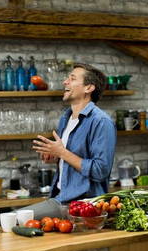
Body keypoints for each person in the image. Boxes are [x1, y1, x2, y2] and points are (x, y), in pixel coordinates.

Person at [24, 63, 117, 219]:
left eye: (72, 79)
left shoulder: (101, 121)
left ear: (88, 88)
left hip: (84, 204)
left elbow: (100, 170)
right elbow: (70, 158)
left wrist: (62, 152)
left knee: (16, 219)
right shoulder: (66, 118)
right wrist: (55, 156)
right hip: (61, 197)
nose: (65, 82)